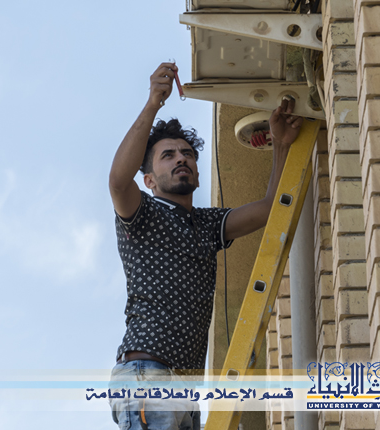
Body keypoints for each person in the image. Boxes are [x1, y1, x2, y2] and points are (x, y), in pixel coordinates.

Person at [107, 61, 304, 430]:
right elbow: (118, 182)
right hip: (148, 374)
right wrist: (153, 103)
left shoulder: (207, 224)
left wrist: (281, 144)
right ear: (149, 179)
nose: (181, 158)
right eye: (168, 155)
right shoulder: (143, 214)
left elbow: (269, 209)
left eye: (187, 154)